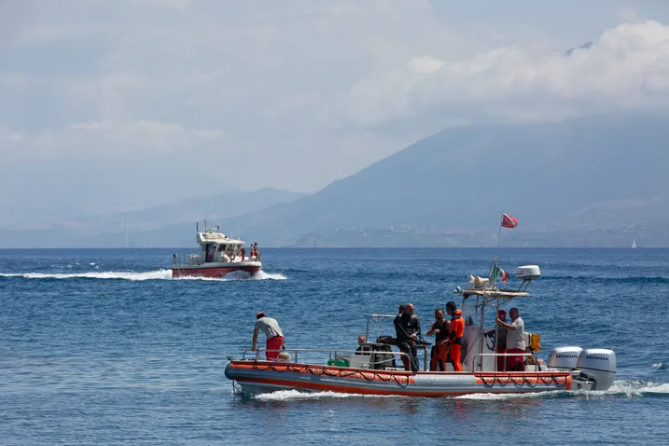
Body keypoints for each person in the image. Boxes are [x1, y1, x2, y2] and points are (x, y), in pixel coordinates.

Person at [497, 307, 525, 371]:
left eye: (511, 312)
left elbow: (512, 327)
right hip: (511, 348)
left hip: (516, 348)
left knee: (516, 365)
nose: (510, 314)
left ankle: (519, 377)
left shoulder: (518, 321)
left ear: (516, 313)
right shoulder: (514, 321)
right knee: (511, 365)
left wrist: (500, 322)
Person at [395, 303, 421, 372]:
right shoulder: (399, 318)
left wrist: (415, 334)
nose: (412, 310)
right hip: (402, 339)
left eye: (413, 309)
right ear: (405, 309)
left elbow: (419, 330)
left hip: (411, 338)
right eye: (410, 309)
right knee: (408, 349)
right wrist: (407, 336)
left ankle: (415, 369)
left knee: (414, 350)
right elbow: (399, 329)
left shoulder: (415, 318)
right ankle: (413, 367)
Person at [446, 301, 465, 372]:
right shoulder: (460, 317)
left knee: (455, 361)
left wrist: (449, 343)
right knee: (456, 360)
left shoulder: (455, 319)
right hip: (459, 340)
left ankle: (459, 375)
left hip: (455, 342)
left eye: (446, 309)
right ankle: (458, 373)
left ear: (449, 309)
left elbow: (453, 332)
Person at [393, 305, 410, 370]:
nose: (399, 311)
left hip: (404, 339)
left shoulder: (403, 318)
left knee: (406, 356)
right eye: (399, 309)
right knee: (403, 356)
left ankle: (408, 369)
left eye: (401, 309)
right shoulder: (399, 318)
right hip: (401, 338)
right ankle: (407, 368)